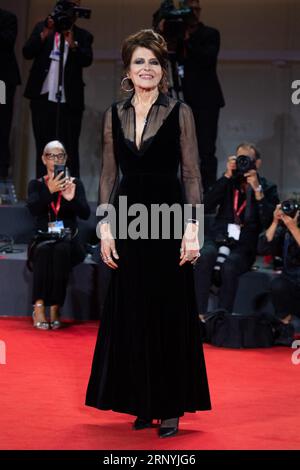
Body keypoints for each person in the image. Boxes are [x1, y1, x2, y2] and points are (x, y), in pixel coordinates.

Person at [86, 29, 211, 438]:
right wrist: (105, 228)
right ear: (127, 68)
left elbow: (191, 173)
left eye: (154, 62)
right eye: (139, 61)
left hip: (168, 216)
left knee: (169, 309)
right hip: (127, 217)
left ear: (163, 69)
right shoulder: (113, 113)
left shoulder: (180, 111)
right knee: (133, 309)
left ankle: (171, 404)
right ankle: (141, 399)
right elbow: (108, 173)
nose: (146, 68)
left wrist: (192, 230)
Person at [194, 142, 279, 321]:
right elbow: (205, 205)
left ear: (257, 163)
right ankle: (198, 315)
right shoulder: (228, 182)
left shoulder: (268, 187)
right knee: (204, 255)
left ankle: (221, 319)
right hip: (218, 237)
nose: (243, 163)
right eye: (240, 159)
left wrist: (258, 191)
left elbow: (268, 221)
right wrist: (226, 176)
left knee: (230, 266)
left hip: (244, 245)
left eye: (247, 159)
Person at [22, 0, 93, 178]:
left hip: (69, 102)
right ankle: (43, 192)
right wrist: (45, 31)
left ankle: (68, 193)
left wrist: (73, 44)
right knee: (44, 146)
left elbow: (87, 60)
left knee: (68, 148)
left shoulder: (82, 35)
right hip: (43, 98)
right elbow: (27, 52)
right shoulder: (44, 27)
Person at [27, 140, 90, 329]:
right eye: (51, 156)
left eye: (60, 156)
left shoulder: (75, 183)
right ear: (44, 159)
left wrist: (71, 199)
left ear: (66, 159)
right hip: (43, 238)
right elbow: (33, 209)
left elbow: (85, 213)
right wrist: (49, 191)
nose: (56, 160)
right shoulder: (36, 184)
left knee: (61, 250)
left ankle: (55, 307)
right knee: (45, 251)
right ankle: (38, 307)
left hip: (68, 238)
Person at [182, 0, 225, 193]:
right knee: (182, 149)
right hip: (182, 97)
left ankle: (208, 193)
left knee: (206, 149)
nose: (193, 12)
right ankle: (182, 191)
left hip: (206, 99)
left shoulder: (210, 34)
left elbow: (208, 58)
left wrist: (187, 40)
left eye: (196, 8)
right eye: (189, 9)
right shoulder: (174, 35)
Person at [257, 203, 300, 346]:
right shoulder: (282, 230)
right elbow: (262, 247)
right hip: (290, 281)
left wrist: (294, 228)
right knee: (277, 285)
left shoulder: (293, 229)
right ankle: (285, 327)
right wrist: (275, 221)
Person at [0, 8, 21, 179]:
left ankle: (1, 172)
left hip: (1, 81)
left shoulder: (8, 18)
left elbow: (6, 42)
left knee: (1, 122)